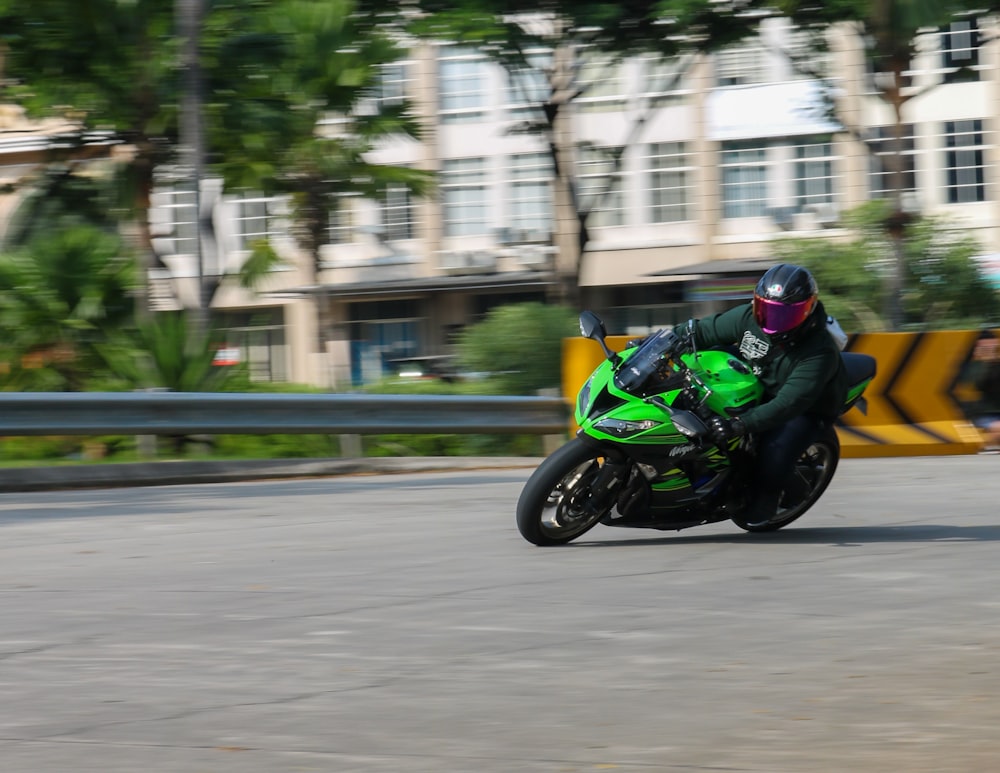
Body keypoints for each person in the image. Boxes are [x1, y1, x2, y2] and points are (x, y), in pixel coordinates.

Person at [675, 263, 848, 526]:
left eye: (785, 314)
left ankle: (770, 498)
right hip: (756, 380)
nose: (774, 320)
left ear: (808, 309)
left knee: (775, 452)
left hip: (806, 407)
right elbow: (701, 331)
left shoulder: (818, 352)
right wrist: (659, 342)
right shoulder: (747, 318)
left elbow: (788, 403)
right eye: (767, 309)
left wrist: (739, 425)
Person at [961, 332, 1000, 453]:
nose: (989, 351)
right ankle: (987, 443)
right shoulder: (973, 367)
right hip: (984, 415)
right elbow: (973, 384)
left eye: (992, 348)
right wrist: (982, 363)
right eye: (985, 348)